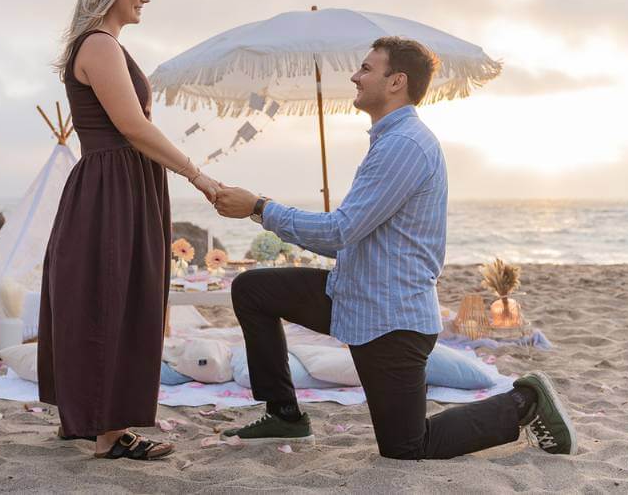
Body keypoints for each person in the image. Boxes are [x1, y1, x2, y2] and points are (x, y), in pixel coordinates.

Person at [213, 36, 576, 459]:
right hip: (353, 296)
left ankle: (525, 402)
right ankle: (286, 415)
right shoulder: (388, 141)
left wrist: (259, 207)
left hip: (392, 319)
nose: (355, 75)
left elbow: (339, 232)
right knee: (253, 290)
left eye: (366, 68)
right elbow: (349, 241)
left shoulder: (404, 146)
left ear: (396, 81)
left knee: (406, 446)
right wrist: (268, 213)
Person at [37, 0, 221, 460]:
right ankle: (109, 434)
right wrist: (197, 174)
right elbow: (133, 126)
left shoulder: (106, 46)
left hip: (124, 182)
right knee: (112, 295)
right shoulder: (98, 45)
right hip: (112, 186)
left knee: (117, 293)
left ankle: (92, 420)